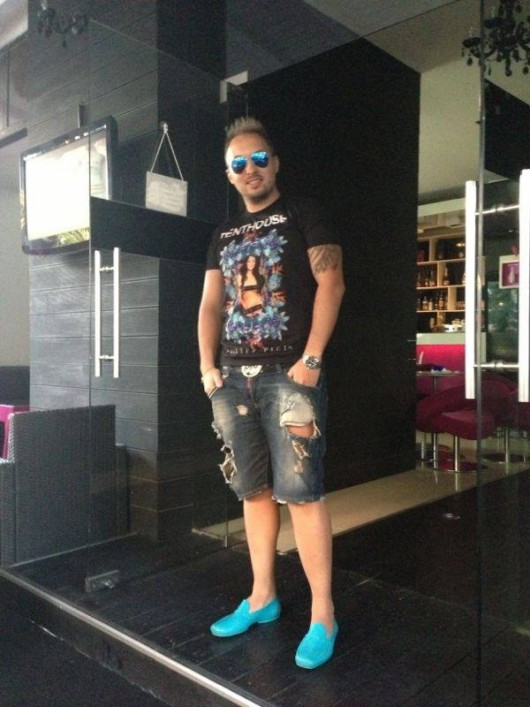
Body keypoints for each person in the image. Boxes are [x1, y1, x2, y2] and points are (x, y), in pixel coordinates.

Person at [197, 116, 345, 670]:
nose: (250, 169)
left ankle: (323, 614)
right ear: (229, 174)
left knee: (302, 492)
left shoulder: (305, 213)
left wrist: (312, 359)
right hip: (233, 379)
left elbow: (332, 283)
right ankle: (262, 597)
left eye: (259, 158)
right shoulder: (223, 235)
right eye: (238, 163)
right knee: (253, 491)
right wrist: (207, 366)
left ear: (275, 162)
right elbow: (211, 304)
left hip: (290, 374)